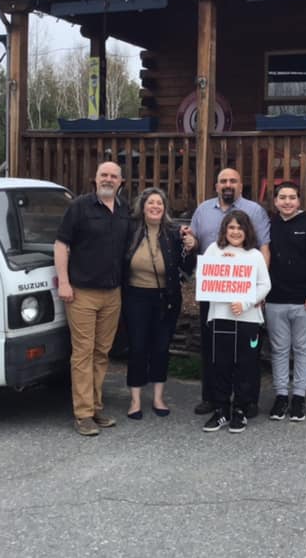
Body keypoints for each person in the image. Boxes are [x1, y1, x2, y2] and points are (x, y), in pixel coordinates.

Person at [55, 162, 130, 436]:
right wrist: (63, 282)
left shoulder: (124, 210)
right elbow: (62, 244)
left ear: (121, 181)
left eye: (113, 176)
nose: (108, 179)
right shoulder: (79, 207)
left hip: (112, 294)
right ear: (95, 179)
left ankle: (96, 407)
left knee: (102, 353)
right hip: (82, 293)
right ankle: (83, 414)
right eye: (103, 175)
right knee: (83, 353)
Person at [188, 167, 270, 417]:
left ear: (240, 185)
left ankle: (247, 402)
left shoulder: (255, 211)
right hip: (216, 301)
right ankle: (213, 399)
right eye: (223, 180)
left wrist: (253, 295)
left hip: (245, 302)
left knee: (247, 355)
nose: (228, 184)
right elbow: (194, 243)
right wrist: (189, 241)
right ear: (216, 185)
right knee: (214, 352)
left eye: (233, 180)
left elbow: (264, 250)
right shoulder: (203, 211)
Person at [121, 188, 196, 420]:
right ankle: (134, 400)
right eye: (150, 203)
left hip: (166, 298)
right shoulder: (130, 230)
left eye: (159, 204)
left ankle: (158, 397)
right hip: (135, 296)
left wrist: (191, 245)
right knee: (137, 348)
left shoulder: (174, 233)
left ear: (165, 209)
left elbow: (188, 266)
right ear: (142, 207)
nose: (155, 207)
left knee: (161, 348)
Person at [200, 210, 271, 433]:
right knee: (220, 365)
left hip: (247, 319)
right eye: (231, 227)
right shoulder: (214, 250)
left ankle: (240, 410)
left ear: (247, 230)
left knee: (245, 366)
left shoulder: (254, 255)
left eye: (240, 228)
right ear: (224, 230)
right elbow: (205, 278)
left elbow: (264, 285)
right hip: (220, 318)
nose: (235, 232)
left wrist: (246, 303)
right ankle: (221, 410)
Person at [265, 181, 306, 422]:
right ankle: (281, 396)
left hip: (304, 300)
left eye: (292, 197)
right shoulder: (271, 225)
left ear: (299, 201)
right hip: (275, 299)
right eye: (282, 197)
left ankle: (299, 397)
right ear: (275, 201)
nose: (287, 202)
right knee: (279, 350)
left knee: (302, 349)